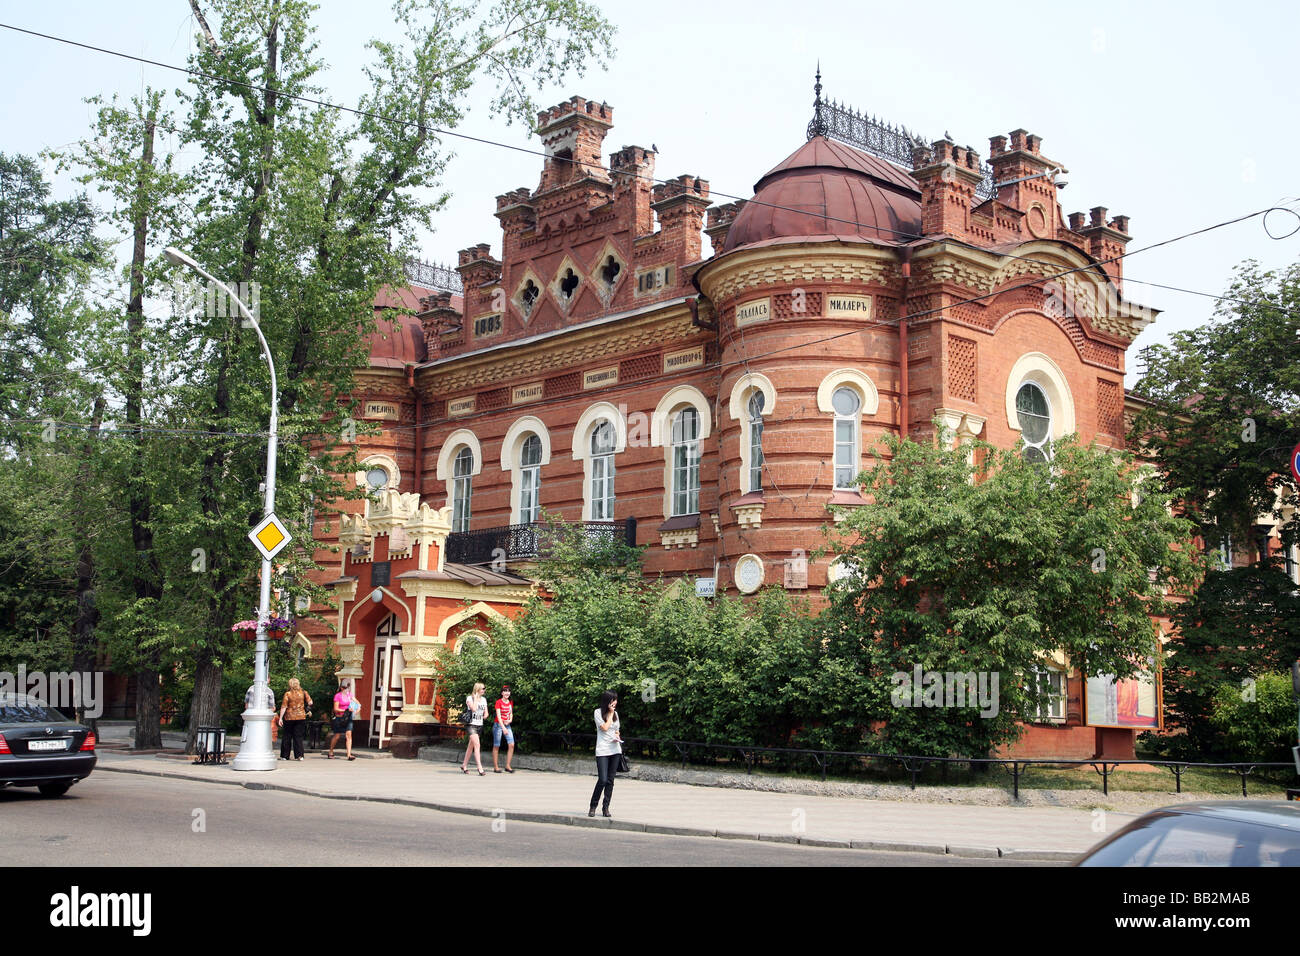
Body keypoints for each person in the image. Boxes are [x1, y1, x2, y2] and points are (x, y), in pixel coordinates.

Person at [589, 690, 622, 818]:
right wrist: (610, 714)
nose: (615, 702)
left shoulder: (616, 714)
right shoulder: (598, 712)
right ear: (607, 701)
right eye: (613, 700)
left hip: (615, 750)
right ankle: (593, 806)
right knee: (602, 779)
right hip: (603, 750)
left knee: (610, 781)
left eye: (616, 700)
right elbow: (604, 728)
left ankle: (606, 808)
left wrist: (617, 736)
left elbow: (616, 730)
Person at [278, 677, 313, 761]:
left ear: (290, 684)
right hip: (301, 716)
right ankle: (299, 755)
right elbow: (310, 702)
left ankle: (285, 756)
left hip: (289, 717)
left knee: (287, 736)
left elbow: (284, 706)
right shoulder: (304, 693)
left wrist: (280, 718)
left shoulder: (288, 694)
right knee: (298, 736)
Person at [460, 682, 487, 776]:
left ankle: (464, 765)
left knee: (471, 746)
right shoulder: (469, 698)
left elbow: (486, 712)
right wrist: (475, 698)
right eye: (483, 688)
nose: (484, 690)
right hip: (471, 725)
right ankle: (480, 767)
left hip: (480, 724)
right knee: (477, 744)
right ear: (477, 689)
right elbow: (474, 709)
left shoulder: (484, 699)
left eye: (484, 688)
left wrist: (485, 715)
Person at [328, 679, 356, 760]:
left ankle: (349, 755)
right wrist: (345, 710)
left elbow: (356, 703)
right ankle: (331, 751)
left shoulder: (350, 695)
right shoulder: (338, 696)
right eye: (343, 687)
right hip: (339, 718)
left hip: (348, 718)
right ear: (341, 687)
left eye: (346, 687)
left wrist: (356, 707)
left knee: (349, 735)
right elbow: (336, 709)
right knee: (337, 735)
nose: (344, 689)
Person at [492, 685, 515, 773]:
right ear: (502, 693)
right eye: (505, 691)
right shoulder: (498, 702)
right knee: (496, 745)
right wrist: (503, 728)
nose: (507, 693)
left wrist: (510, 720)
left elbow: (511, 713)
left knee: (511, 744)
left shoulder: (510, 702)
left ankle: (508, 765)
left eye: (508, 691)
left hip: (507, 725)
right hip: (498, 725)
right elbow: (498, 716)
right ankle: (496, 767)